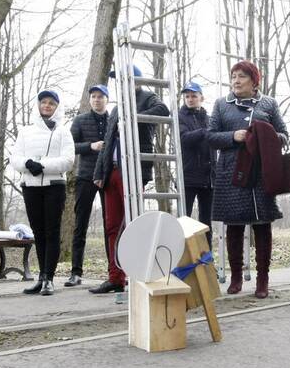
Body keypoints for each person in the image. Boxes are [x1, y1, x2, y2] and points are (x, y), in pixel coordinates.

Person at [208, 60, 289, 299]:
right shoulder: (221, 105)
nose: (236, 81)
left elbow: (284, 135)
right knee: (234, 226)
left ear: (254, 81)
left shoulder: (269, 104)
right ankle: (235, 277)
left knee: (263, 225)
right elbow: (211, 136)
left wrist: (266, 136)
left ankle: (263, 279)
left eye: (241, 76)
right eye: (233, 76)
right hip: (232, 172)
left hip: (262, 172)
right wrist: (234, 136)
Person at [91, 66, 169, 294]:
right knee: (112, 225)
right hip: (111, 171)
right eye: (118, 79)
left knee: (131, 224)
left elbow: (163, 111)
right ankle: (115, 277)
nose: (121, 82)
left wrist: (133, 116)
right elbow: (107, 141)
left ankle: (138, 274)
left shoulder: (147, 97)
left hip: (133, 171)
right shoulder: (116, 108)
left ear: (136, 80)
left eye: (126, 78)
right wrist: (99, 172)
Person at [10, 90, 75, 296]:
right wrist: (28, 164)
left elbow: (68, 160)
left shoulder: (63, 131)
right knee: (38, 233)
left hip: (54, 185)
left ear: (57, 107)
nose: (47, 106)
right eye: (44, 102)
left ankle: (49, 277)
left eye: (51, 103)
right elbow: (15, 157)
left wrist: (42, 165)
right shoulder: (25, 131)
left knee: (51, 231)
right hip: (30, 186)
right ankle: (40, 277)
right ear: (38, 105)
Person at [66, 84, 110, 287]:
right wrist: (90, 146)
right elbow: (69, 147)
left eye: (100, 96)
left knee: (111, 225)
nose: (96, 99)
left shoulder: (115, 120)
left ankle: (114, 271)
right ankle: (76, 272)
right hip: (85, 176)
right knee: (81, 224)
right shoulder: (80, 120)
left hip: (109, 177)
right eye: (93, 96)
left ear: (107, 99)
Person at [178, 81, 215, 244]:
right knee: (183, 219)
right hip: (188, 176)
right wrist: (205, 132)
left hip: (209, 177)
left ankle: (206, 260)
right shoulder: (179, 116)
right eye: (187, 96)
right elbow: (184, 139)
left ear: (202, 97)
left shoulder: (209, 118)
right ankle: (183, 257)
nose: (190, 99)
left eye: (194, 96)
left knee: (206, 221)